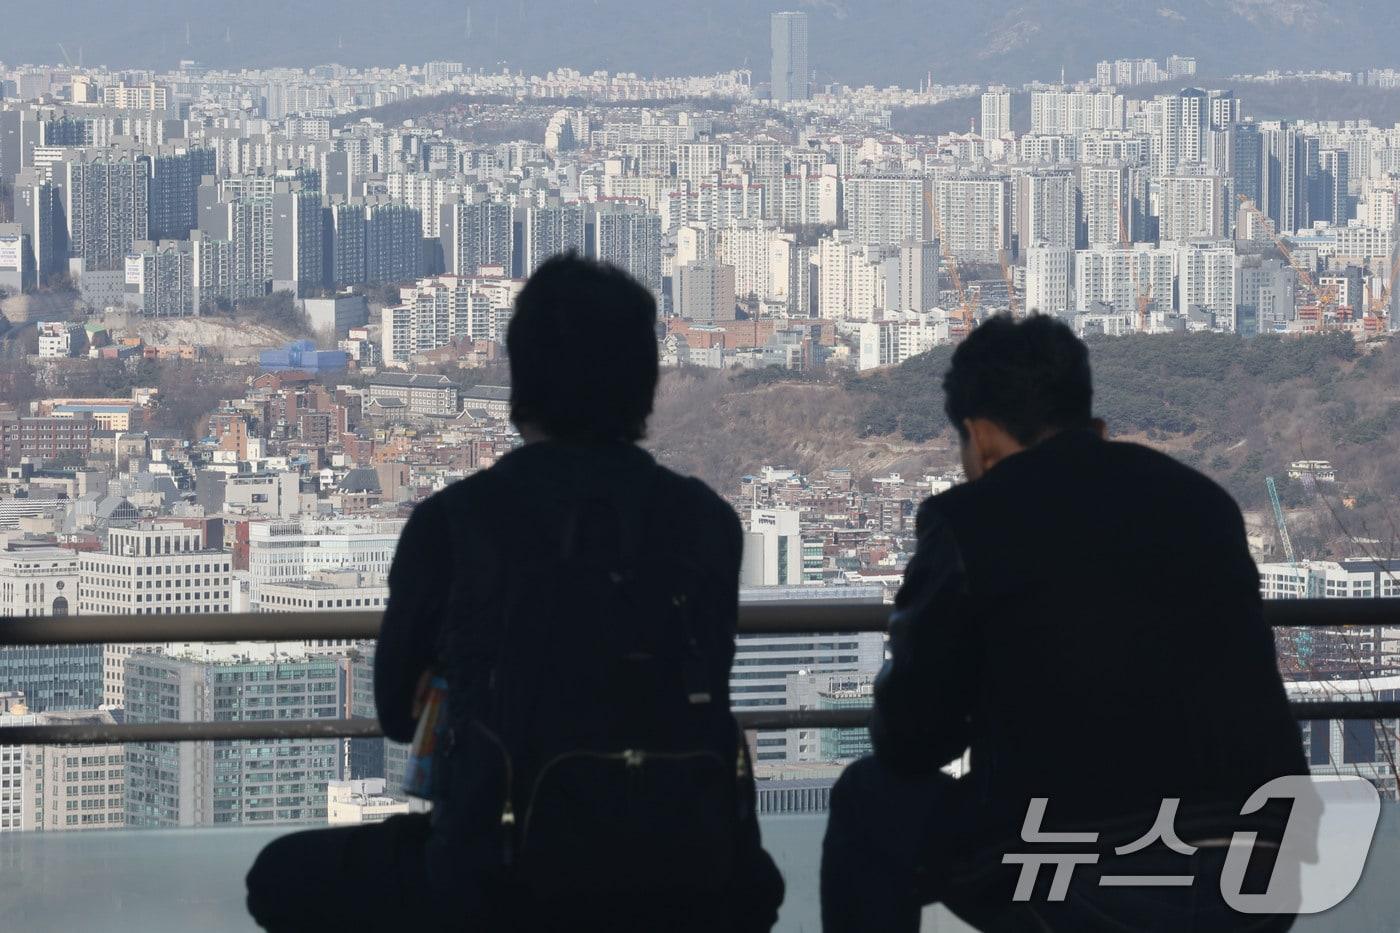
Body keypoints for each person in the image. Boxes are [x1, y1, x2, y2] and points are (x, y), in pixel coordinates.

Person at [247, 253, 783, 932]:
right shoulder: (707, 523)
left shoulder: (457, 522)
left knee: (281, 876)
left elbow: (392, 710)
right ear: (645, 385)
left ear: (521, 380)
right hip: (690, 867)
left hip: (499, 871)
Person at [821, 315, 1308, 932]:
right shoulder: (1202, 502)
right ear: (1087, 418)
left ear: (981, 436)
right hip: (1261, 872)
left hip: (1089, 878)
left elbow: (911, 739)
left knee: (871, 799)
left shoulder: (972, 521)